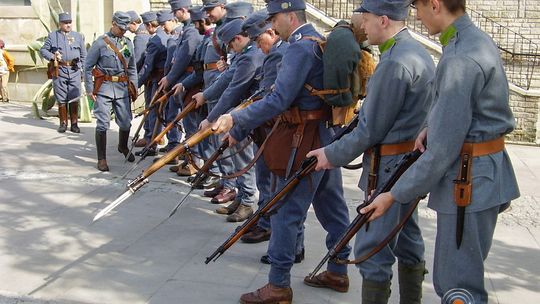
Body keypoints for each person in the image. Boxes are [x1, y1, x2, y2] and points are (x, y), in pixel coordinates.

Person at [360, 0, 520, 303]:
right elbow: (477, 109)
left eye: (417, 7)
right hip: (480, 174)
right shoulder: (472, 40)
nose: (416, 16)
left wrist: (393, 194)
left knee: (458, 287)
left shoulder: (460, 56)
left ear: (434, 5)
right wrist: (433, 125)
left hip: (467, 181)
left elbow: (441, 151)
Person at [212, 0, 351, 302]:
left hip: (302, 141)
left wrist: (237, 118)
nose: (272, 26)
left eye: (275, 18)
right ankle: (339, 270)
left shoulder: (300, 47)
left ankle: (278, 285)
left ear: (290, 15)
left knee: (285, 211)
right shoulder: (316, 40)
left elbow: (278, 99)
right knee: (332, 206)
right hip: (324, 137)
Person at [306, 1, 436, 302]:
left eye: (365, 20)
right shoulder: (417, 53)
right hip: (407, 164)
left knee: (372, 249)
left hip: (389, 168)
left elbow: (370, 129)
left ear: (383, 19)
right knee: (407, 240)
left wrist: (330, 154)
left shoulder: (394, 62)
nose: (361, 27)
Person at [84, 12, 138, 171]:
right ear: (113, 23)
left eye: (125, 29)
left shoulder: (128, 43)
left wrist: (133, 86)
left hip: (122, 89)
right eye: (121, 28)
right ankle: (102, 159)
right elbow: (87, 67)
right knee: (102, 124)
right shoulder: (100, 43)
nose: (123, 32)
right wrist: (89, 89)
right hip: (104, 88)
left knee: (126, 122)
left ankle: (123, 146)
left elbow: (133, 68)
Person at [134, 11, 177, 157]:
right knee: (167, 113)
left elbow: (147, 66)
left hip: (157, 81)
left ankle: (151, 145)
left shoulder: (155, 40)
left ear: (148, 26)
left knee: (153, 112)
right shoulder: (170, 37)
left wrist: (135, 84)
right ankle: (166, 141)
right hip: (169, 80)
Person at [40, 12, 86, 133]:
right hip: (59, 70)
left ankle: (74, 123)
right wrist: (52, 56)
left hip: (74, 70)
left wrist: (82, 68)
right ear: (60, 24)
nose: (68, 25)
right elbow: (43, 50)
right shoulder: (53, 36)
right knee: (61, 97)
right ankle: (63, 123)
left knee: (74, 96)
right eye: (65, 23)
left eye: (70, 22)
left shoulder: (78, 36)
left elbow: (84, 55)